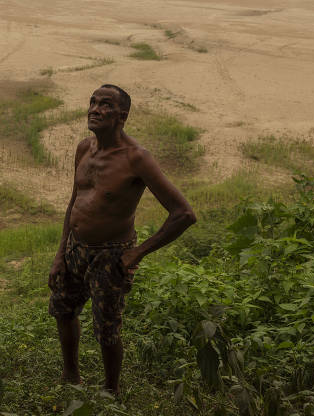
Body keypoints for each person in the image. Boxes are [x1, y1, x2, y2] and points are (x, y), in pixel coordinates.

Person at [48, 84, 196, 394]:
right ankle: (70, 376)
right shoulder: (83, 149)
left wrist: (137, 253)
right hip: (76, 246)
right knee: (63, 310)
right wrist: (61, 252)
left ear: (122, 116)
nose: (95, 109)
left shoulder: (136, 158)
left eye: (105, 105)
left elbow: (183, 214)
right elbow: (74, 200)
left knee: (107, 329)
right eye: (92, 102)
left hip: (111, 255)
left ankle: (111, 390)